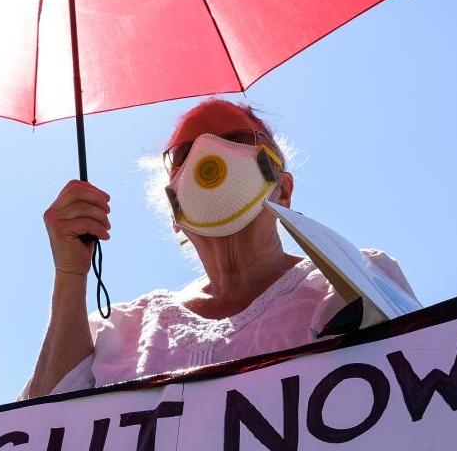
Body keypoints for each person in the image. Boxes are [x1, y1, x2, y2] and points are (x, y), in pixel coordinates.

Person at [26, 99, 413, 398]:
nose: (210, 158)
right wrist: (71, 274)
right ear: (174, 209)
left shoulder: (353, 281)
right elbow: (40, 432)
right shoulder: (119, 330)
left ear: (285, 189)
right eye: (185, 153)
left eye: (236, 141)